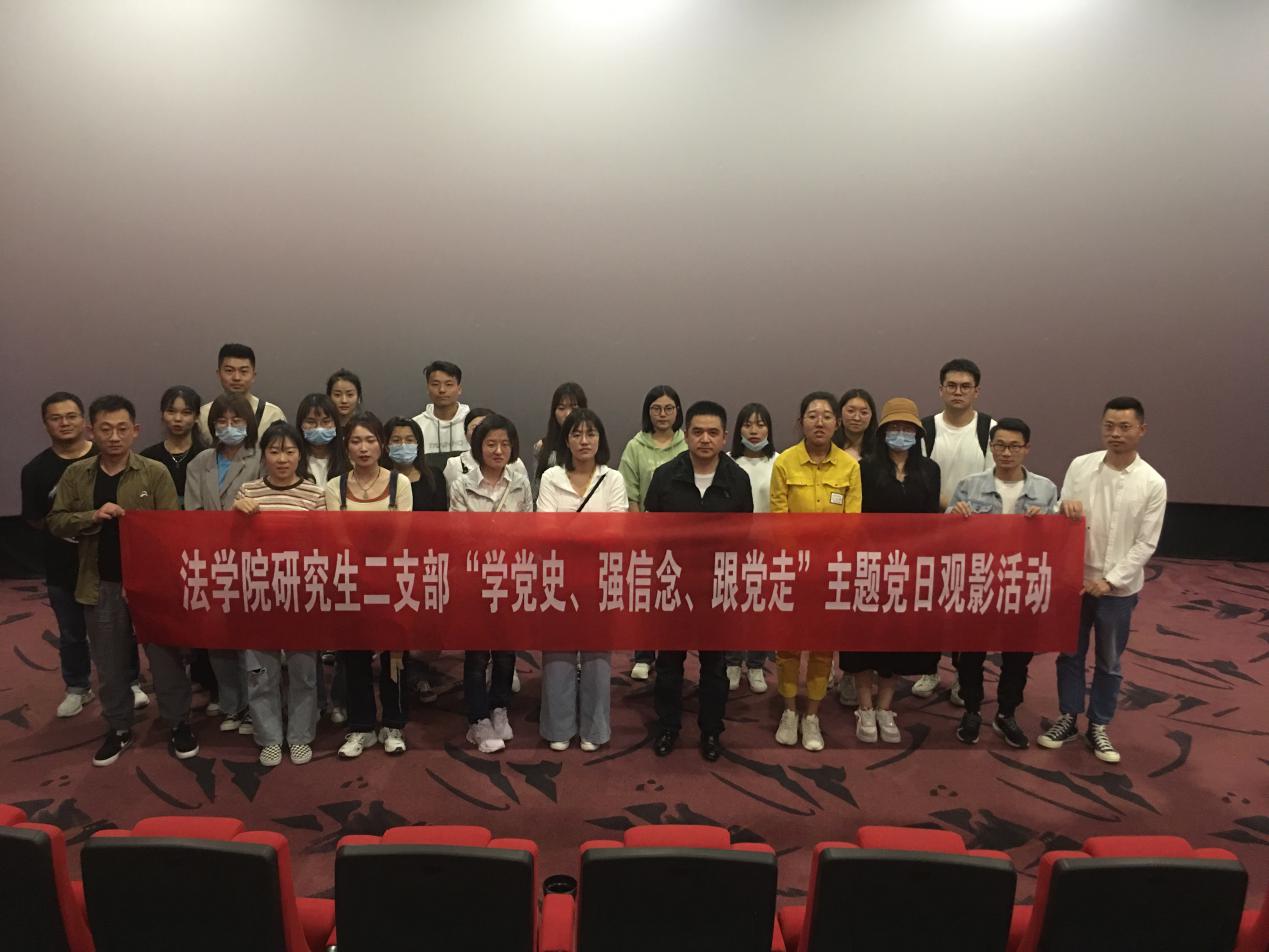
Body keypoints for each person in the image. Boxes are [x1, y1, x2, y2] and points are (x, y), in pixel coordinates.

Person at [48, 395, 199, 766]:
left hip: (150, 585)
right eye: (105, 429)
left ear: (135, 431)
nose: (114, 437)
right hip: (100, 583)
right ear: (91, 431)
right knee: (110, 663)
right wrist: (91, 516)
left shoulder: (153, 472)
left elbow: (171, 528)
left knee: (165, 659)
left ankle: (178, 721)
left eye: (121, 429)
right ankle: (118, 726)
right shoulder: (77, 474)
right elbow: (57, 521)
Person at [1038, 397, 1166, 764]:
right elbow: (1061, 514)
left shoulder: (1152, 482)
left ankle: (1099, 724)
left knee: (1109, 660)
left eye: (1125, 427)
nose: (1115, 434)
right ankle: (1068, 716)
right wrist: (1063, 507)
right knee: (1069, 654)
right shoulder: (1080, 465)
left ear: (1141, 430)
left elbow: (1146, 543)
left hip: (1117, 590)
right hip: (1074, 582)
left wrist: (1109, 581)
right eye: (1109, 426)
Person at [644, 400, 752, 762]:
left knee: (715, 665)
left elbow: (744, 535)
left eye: (713, 433)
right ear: (686, 435)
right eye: (698, 432)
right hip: (673, 582)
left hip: (716, 585)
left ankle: (711, 730)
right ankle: (668, 726)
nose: (705, 439)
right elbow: (651, 531)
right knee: (669, 663)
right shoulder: (665, 476)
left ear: (724, 437)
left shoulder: (737, 480)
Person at [946, 418, 1059, 748]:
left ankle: (1006, 712)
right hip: (979, 580)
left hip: (1021, 584)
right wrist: (955, 517)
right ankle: (971, 710)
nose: (1006, 453)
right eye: (1000, 446)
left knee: (1017, 655)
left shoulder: (1045, 489)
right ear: (990, 447)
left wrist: (1047, 524)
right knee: (971, 653)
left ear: (1027, 449)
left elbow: (1057, 542)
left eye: (1014, 446)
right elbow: (948, 536)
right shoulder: (969, 485)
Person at [841, 397, 941, 745]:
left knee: (896, 640)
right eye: (894, 428)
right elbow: (855, 517)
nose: (901, 434)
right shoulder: (864, 468)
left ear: (917, 433)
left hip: (909, 569)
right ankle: (865, 708)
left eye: (907, 428)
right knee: (865, 639)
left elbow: (931, 520)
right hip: (869, 566)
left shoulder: (930, 470)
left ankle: (885, 707)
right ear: (882, 432)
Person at [21, 392, 125, 718]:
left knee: (119, 629)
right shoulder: (35, 469)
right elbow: (36, 518)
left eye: (71, 416)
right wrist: (75, 524)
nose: (64, 423)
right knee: (70, 632)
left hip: (108, 563)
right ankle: (78, 686)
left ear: (84, 422)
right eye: (56, 418)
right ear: (45, 424)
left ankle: (131, 681)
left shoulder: (106, 456)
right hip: (62, 564)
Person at [771, 392, 862, 751]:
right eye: (812, 415)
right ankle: (789, 710)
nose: (819, 422)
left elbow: (852, 524)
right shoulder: (784, 463)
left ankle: (812, 715)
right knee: (788, 645)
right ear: (801, 422)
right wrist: (800, 563)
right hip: (793, 570)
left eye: (826, 416)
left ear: (837, 423)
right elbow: (778, 518)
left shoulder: (849, 467)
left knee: (824, 646)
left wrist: (826, 564)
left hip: (831, 571)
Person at [232, 422, 326, 766]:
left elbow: (324, 545)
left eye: (289, 451)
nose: (282, 459)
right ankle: (269, 737)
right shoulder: (248, 492)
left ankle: (300, 735)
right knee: (261, 671)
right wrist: (238, 516)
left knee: (303, 671)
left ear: (300, 455)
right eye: (274, 451)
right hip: (259, 592)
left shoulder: (315, 495)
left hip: (301, 593)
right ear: (264, 455)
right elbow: (232, 543)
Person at [536, 409, 627, 751]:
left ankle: (594, 728)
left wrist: (570, 531)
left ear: (600, 439)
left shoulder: (613, 479)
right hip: (558, 575)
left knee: (597, 658)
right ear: (566, 440)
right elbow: (545, 529)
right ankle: (558, 727)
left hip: (601, 576)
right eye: (576, 434)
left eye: (591, 434)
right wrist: (591, 531)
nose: (584, 441)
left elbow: (616, 531)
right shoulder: (551, 477)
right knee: (557, 654)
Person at [325, 412, 413, 758]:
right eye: (356, 441)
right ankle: (361, 726)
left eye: (371, 440)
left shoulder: (399, 484)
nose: (364, 448)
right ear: (346, 446)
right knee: (355, 656)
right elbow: (338, 538)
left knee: (395, 656)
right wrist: (362, 572)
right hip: (352, 581)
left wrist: (380, 571)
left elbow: (402, 536)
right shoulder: (334, 486)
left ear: (382, 445)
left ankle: (393, 724)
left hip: (392, 580)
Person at [913, 359, 997, 702]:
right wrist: (952, 507)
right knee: (930, 605)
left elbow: (994, 481)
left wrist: (968, 511)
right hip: (934, 534)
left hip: (976, 534)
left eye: (965, 386)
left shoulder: (989, 430)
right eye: (951, 385)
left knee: (967, 608)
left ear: (977, 391)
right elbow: (920, 481)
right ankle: (929, 669)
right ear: (941, 390)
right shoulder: (925, 429)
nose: (958, 392)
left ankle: (964, 676)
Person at [450, 413, 533, 753]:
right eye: (491, 444)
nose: (498, 450)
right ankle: (478, 719)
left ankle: (499, 708)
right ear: (478, 447)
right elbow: (458, 535)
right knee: (476, 654)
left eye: (505, 444)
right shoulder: (463, 485)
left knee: (505, 651)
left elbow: (528, 529)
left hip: (510, 575)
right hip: (475, 578)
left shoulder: (520, 482)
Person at [185, 393, 262, 737]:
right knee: (218, 638)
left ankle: (254, 709)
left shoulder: (260, 457)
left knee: (251, 641)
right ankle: (232, 704)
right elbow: (193, 511)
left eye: (237, 421)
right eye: (222, 421)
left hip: (250, 560)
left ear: (249, 424)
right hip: (211, 560)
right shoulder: (200, 462)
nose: (229, 427)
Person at [619, 385, 686, 680]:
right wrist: (640, 532)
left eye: (669, 408)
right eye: (656, 409)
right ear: (648, 412)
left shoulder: (687, 444)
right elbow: (629, 492)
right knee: (646, 596)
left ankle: (672, 652)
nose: (662, 414)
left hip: (682, 539)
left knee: (675, 595)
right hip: (646, 536)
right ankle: (644, 655)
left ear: (677, 412)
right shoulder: (635, 446)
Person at [725, 402, 776, 693]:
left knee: (761, 608)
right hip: (734, 547)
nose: (754, 431)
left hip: (768, 547)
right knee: (733, 606)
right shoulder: (727, 462)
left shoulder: (779, 462)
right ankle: (733, 662)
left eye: (760, 424)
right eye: (747, 424)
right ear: (738, 430)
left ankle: (756, 664)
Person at [197, 342, 286, 443]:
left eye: (243, 371)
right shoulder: (203, 415)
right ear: (219, 374)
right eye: (229, 371)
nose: (236, 378)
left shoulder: (272, 415)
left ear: (253, 376)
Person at [140, 385, 206, 508]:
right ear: (162, 414)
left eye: (186, 413)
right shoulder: (147, 458)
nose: (177, 418)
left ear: (196, 417)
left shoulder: (207, 458)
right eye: (171, 411)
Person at [443, 407, 530, 491]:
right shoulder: (454, 464)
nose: (480, 433)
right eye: (475, 428)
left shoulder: (516, 464)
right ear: (465, 434)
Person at [412, 360, 470, 468]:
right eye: (435, 384)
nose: (442, 390)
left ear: (459, 389)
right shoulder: (415, 425)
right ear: (427, 388)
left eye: (449, 384)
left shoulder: (473, 423)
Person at [533, 382, 588, 482]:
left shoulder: (591, 445)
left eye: (574, 408)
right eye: (561, 408)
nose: (568, 414)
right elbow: (537, 486)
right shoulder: (542, 446)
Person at [296, 393, 345, 488]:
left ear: (335, 424)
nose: (319, 428)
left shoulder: (348, 458)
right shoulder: (293, 461)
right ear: (300, 424)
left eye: (326, 421)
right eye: (311, 422)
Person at [834, 388, 879, 462]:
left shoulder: (880, 449)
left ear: (872, 416)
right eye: (850, 411)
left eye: (864, 413)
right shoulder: (828, 446)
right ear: (840, 412)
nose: (857, 418)